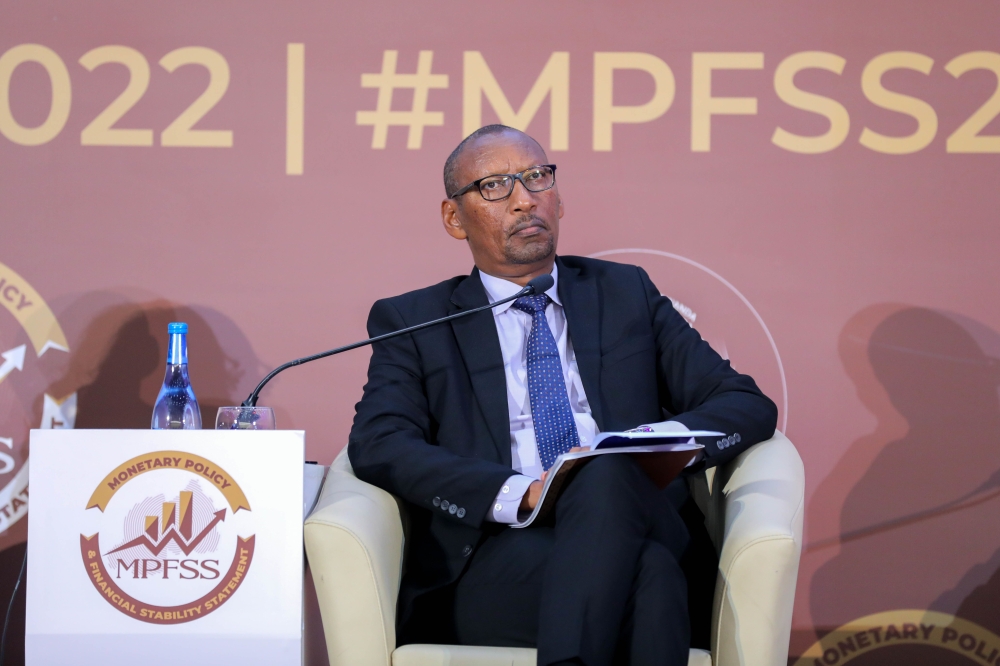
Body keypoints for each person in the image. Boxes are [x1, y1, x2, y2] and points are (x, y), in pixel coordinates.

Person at [348, 124, 777, 665]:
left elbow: (744, 403)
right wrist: (521, 492)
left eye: (536, 178)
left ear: (558, 196)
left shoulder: (624, 293)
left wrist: (635, 448)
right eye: (496, 186)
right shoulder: (414, 320)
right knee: (653, 578)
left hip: (640, 515)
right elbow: (380, 443)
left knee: (605, 469)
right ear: (454, 217)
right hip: (499, 553)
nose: (525, 199)